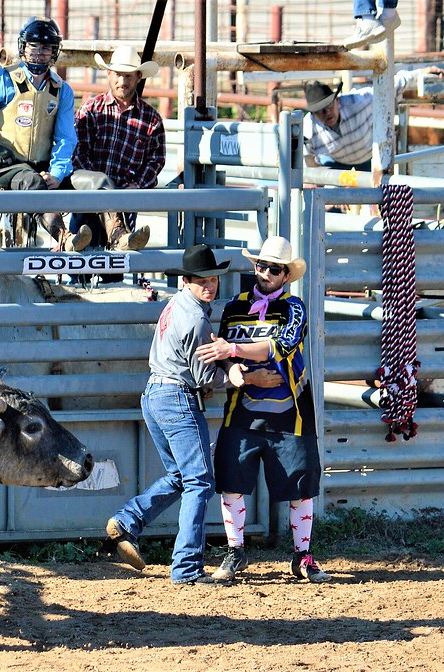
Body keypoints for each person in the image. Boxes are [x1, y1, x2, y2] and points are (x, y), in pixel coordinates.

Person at [194, 236, 330, 583]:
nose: (265, 272)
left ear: (286, 275)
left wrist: (233, 353)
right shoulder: (233, 307)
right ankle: (235, 552)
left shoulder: (294, 307)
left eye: (274, 268)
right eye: (261, 265)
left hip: (290, 413)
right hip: (243, 411)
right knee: (231, 483)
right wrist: (237, 371)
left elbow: (279, 347)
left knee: (300, 486)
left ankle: (303, 556)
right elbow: (220, 355)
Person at [105, 245, 233, 586]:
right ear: (188, 281)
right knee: (200, 480)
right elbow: (205, 376)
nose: (210, 285)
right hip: (176, 397)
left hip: (154, 393)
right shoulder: (196, 318)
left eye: (214, 279)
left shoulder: (175, 304)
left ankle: (128, 520)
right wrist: (234, 376)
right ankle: (187, 567)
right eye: (202, 280)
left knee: (182, 475)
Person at [0, 16, 93, 252]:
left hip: (42, 168)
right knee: (31, 180)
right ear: (23, 48)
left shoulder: (61, 91)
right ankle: (64, 237)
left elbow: (66, 138)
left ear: (54, 52)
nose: (38, 54)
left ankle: (119, 235)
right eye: (33, 47)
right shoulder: (1, 80)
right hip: (3, 168)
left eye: (46, 48)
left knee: (97, 181)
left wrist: (57, 173)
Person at [72, 45, 165, 252]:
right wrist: (97, 186)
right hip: (88, 199)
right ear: (108, 74)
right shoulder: (91, 109)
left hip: (125, 198)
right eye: (118, 75)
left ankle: (118, 235)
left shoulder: (151, 119)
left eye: (128, 76)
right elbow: (78, 152)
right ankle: (118, 235)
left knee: (112, 271)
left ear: (138, 77)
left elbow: (156, 161)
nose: (122, 82)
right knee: (79, 264)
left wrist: (136, 185)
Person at [302, 66, 444, 171]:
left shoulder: (360, 102)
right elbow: (307, 160)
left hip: (368, 158)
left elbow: (390, 87)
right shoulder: (308, 129)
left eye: (329, 105)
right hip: (335, 163)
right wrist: (322, 183)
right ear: (313, 115)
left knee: (378, 194)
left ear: (337, 101)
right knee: (328, 200)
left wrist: (420, 72)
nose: (327, 112)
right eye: (320, 111)